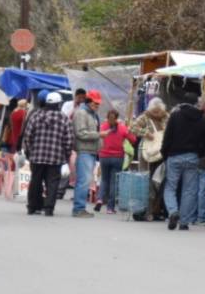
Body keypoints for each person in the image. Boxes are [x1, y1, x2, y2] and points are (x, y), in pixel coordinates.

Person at [161, 93, 205, 231]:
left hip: (174, 156)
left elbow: (167, 137)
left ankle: (173, 211)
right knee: (189, 190)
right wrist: (198, 154)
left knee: (170, 187)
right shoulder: (202, 120)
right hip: (192, 157)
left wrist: (165, 154)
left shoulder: (175, 116)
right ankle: (184, 222)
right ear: (196, 103)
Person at [21, 91, 73, 216]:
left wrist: (30, 151)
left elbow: (28, 136)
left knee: (35, 181)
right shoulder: (64, 119)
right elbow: (69, 141)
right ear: (58, 104)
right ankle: (49, 208)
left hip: (37, 157)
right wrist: (66, 155)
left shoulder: (36, 116)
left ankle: (32, 207)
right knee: (52, 183)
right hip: (55, 158)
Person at [131, 97, 170, 221]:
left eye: (159, 111)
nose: (157, 114)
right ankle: (146, 210)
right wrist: (145, 133)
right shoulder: (144, 117)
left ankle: (157, 210)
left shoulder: (166, 117)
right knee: (146, 181)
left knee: (159, 182)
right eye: (154, 111)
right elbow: (132, 128)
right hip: (147, 154)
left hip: (162, 154)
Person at [71, 89, 101, 218]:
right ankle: (78, 208)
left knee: (85, 180)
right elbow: (81, 133)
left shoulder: (91, 113)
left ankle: (80, 207)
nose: (97, 106)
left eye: (98, 104)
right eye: (95, 103)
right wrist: (99, 135)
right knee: (84, 180)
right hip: (84, 150)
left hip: (90, 150)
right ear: (88, 101)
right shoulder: (82, 113)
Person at [96, 108, 132, 214]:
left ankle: (100, 199)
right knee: (113, 182)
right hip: (118, 158)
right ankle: (110, 208)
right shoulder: (122, 128)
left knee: (104, 180)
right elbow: (133, 139)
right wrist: (127, 130)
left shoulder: (102, 126)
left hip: (103, 156)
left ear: (107, 117)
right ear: (117, 118)